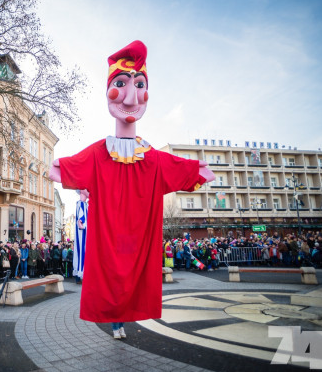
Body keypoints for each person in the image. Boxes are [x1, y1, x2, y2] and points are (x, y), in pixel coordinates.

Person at [49, 40, 214, 339]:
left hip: (137, 239)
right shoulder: (101, 153)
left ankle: (120, 321)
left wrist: (196, 170)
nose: (130, 97)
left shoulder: (150, 158)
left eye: (139, 84)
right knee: (112, 276)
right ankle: (116, 322)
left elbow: (178, 167)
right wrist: (61, 168)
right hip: (110, 238)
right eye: (120, 84)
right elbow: (65, 167)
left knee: (130, 277)